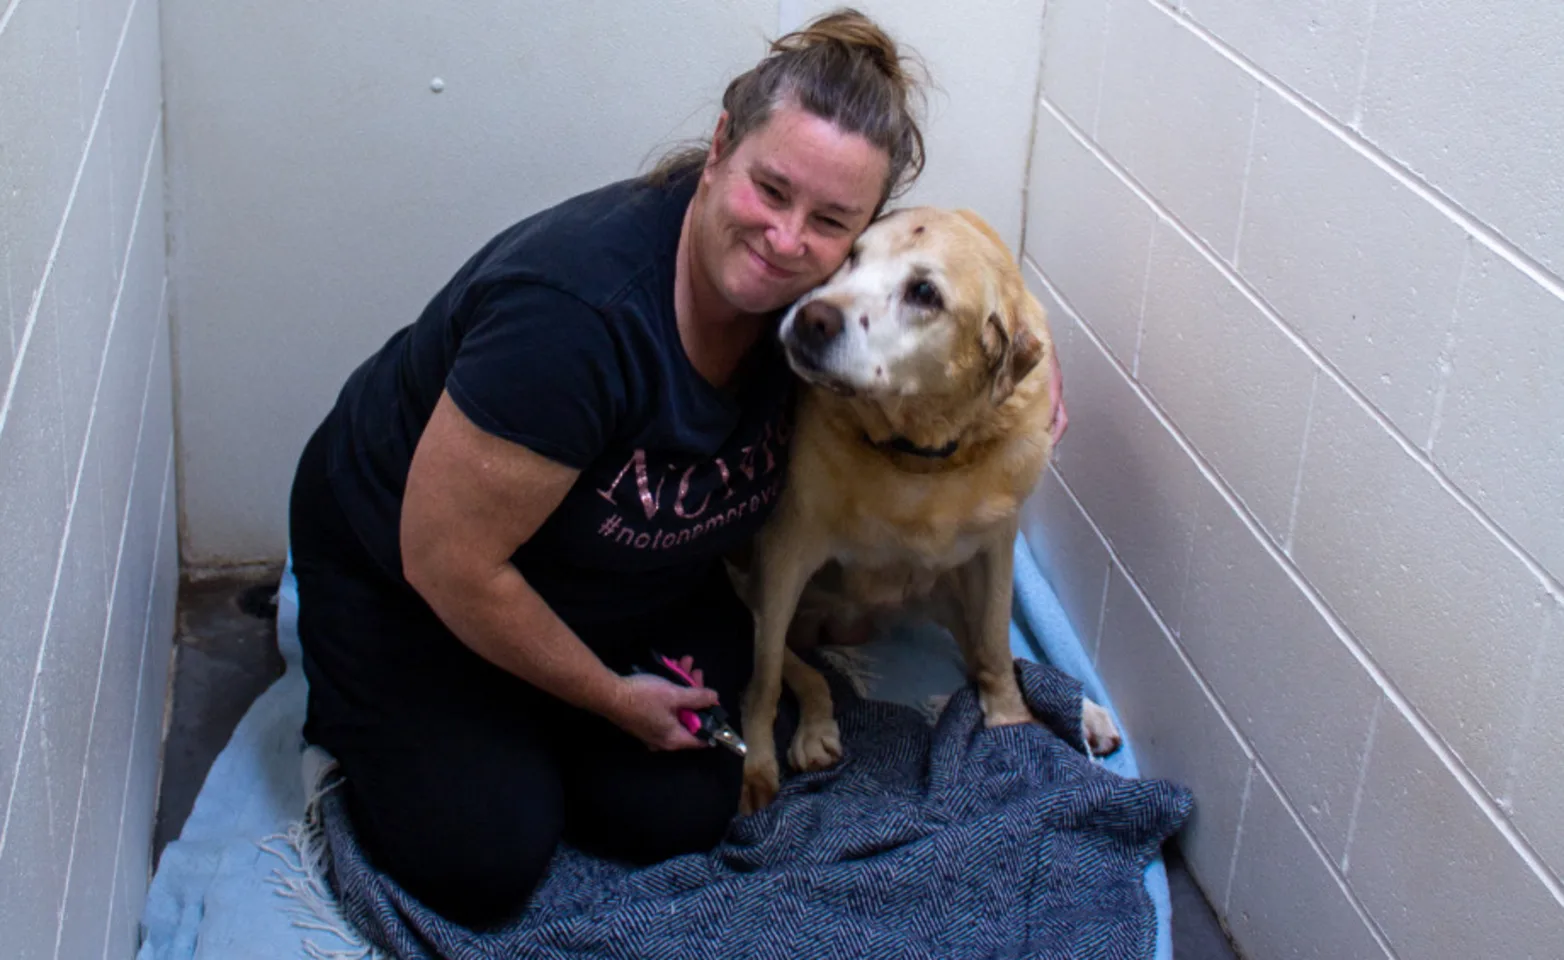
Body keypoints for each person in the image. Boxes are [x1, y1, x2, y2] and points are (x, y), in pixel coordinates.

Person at [288, 7, 1063, 929]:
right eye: (770, 190)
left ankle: (520, 715)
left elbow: (949, 300)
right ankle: (377, 708)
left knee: (684, 808)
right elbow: (448, 557)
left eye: (830, 221)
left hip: (612, 573)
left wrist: (1021, 378)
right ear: (720, 147)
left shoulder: (826, 306)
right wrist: (609, 698)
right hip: (412, 571)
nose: (786, 239)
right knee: (481, 857)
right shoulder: (575, 319)